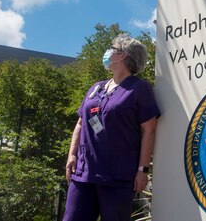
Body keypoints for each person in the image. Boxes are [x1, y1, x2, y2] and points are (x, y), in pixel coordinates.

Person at [63, 33, 160, 221]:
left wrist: (143, 170)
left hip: (117, 178)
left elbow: (149, 130)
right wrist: (72, 155)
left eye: (112, 48)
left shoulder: (139, 89)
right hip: (84, 173)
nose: (107, 52)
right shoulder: (95, 88)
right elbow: (80, 123)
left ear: (123, 54)